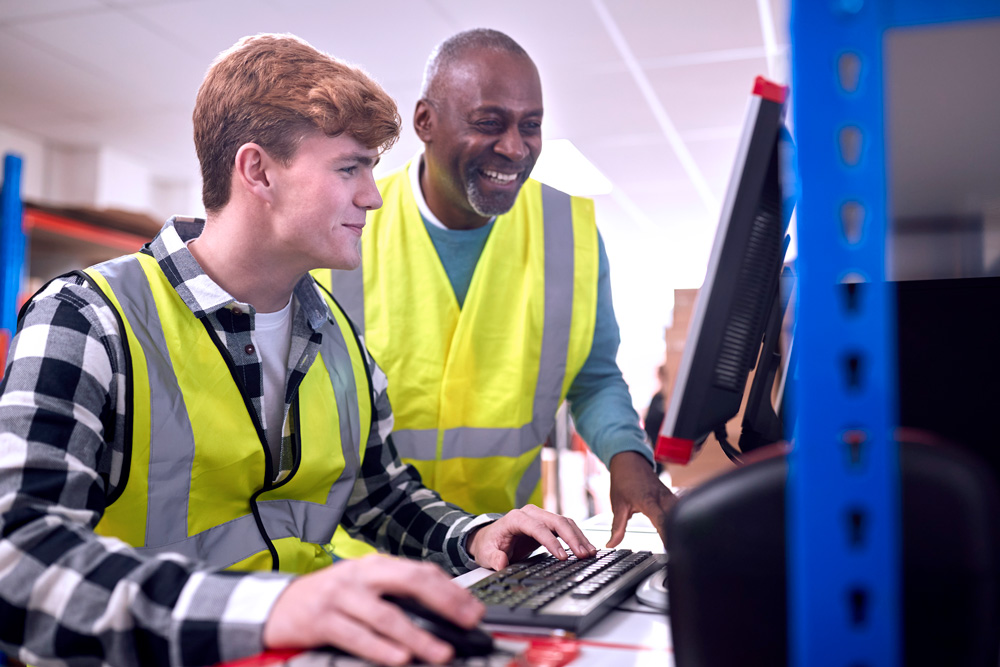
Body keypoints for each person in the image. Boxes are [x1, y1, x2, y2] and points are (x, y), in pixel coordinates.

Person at [0, 33, 598, 667]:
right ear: (258, 171)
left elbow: (380, 494)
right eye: (350, 168)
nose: (373, 194)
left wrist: (475, 536)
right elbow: (17, 557)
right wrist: (272, 610)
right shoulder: (89, 318)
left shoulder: (338, 336)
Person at [319, 29, 675, 550]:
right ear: (425, 121)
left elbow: (593, 377)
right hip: (365, 555)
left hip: (506, 549)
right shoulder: (348, 226)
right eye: (489, 123)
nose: (514, 147)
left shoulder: (569, 233)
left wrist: (630, 461)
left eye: (530, 126)